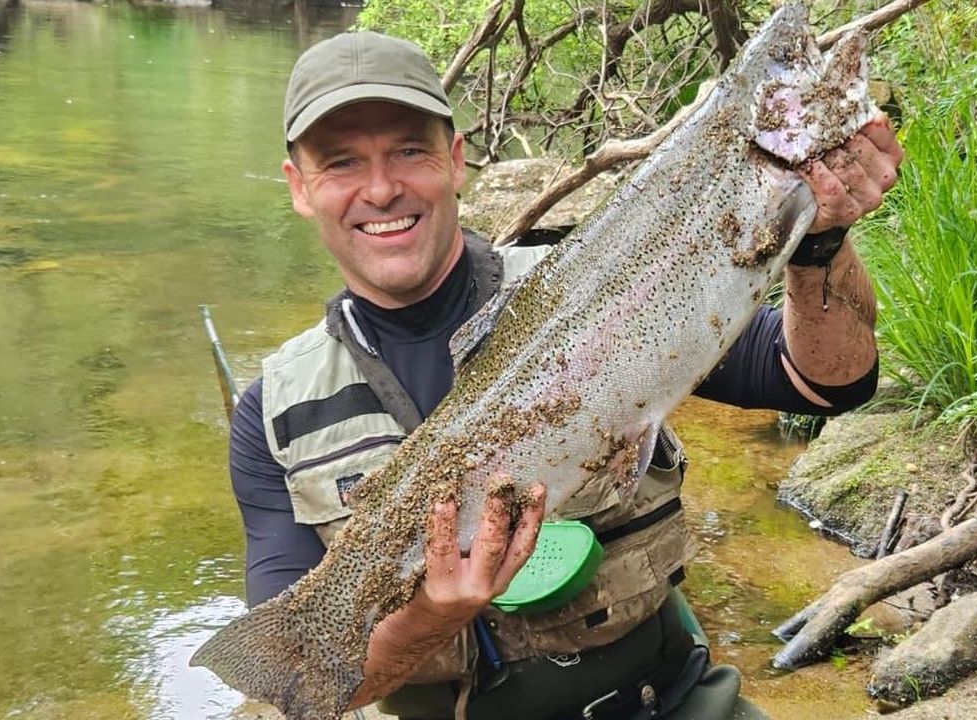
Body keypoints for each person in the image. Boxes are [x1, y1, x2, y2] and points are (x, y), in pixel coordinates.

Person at [227, 28, 902, 720]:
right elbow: (303, 688)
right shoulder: (273, 414)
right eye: (342, 163)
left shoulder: (605, 279)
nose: (381, 188)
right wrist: (429, 616)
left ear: (456, 161)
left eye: (409, 151)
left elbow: (827, 383)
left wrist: (818, 244)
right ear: (299, 188)